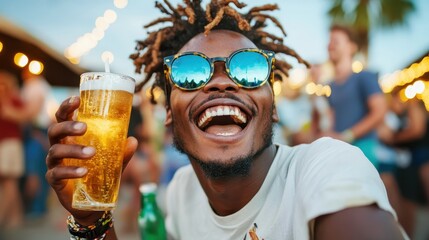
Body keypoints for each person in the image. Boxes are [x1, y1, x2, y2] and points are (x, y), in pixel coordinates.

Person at [46, 1, 407, 239]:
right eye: (190, 72)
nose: (221, 81)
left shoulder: (325, 167)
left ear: (274, 105)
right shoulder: (181, 192)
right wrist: (91, 222)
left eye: (248, 69)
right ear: (169, 112)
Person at [0, 70, 25, 228]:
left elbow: (20, 116)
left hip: (10, 144)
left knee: (8, 182)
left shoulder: (12, 100)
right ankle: (15, 219)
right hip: (7, 144)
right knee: (10, 183)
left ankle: (3, 218)